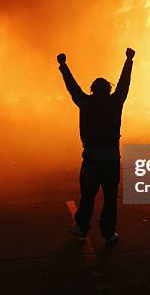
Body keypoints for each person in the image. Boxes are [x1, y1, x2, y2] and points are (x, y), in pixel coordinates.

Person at [57, 48, 135, 245]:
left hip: (91, 159)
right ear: (108, 90)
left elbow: (72, 87)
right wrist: (128, 60)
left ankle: (81, 227)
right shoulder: (115, 102)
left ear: (92, 89)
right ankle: (108, 233)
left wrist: (64, 66)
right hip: (111, 159)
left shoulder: (85, 103)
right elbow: (125, 84)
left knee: (88, 197)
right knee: (110, 198)